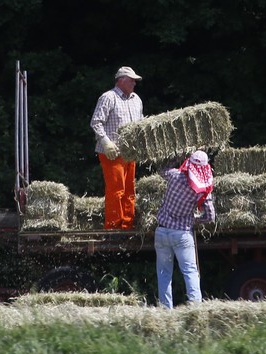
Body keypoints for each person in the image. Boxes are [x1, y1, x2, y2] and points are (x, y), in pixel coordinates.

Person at [154, 150, 216, 309]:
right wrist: (196, 219)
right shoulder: (202, 188)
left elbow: (162, 170)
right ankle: (195, 309)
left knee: (164, 274)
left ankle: (165, 310)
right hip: (182, 234)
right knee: (190, 272)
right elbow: (210, 215)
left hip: (161, 232)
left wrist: (177, 157)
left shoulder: (174, 176)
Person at [90, 66, 144, 229]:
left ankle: (127, 225)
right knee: (116, 190)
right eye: (132, 80)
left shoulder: (136, 99)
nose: (134, 83)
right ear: (121, 80)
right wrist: (106, 142)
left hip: (130, 153)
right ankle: (113, 227)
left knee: (129, 191)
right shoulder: (109, 97)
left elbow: (141, 123)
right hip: (112, 153)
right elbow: (96, 122)